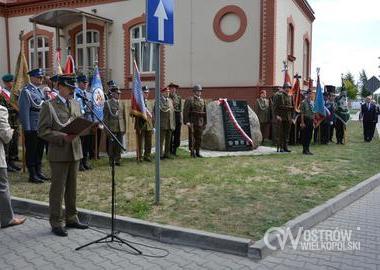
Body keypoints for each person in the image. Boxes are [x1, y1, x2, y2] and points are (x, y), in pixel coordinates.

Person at [38, 75, 89, 237]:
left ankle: (72, 217)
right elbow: (43, 131)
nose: (72, 90)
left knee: (72, 188)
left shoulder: (75, 103)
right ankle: (56, 221)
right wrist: (62, 137)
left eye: (73, 88)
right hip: (59, 152)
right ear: (59, 86)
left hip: (75, 151)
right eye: (69, 87)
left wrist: (88, 129)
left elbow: (77, 124)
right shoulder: (49, 105)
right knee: (58, 189)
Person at [18, 68, 49, 183]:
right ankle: (32, 174)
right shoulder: (26, 91)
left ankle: (38, 171)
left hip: (40, 126)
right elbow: (24, 110)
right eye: (38, 77)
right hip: (32, 126)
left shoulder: (40, 91)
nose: (41, 79)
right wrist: (27, 128)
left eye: (41, 77)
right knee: (31, 150)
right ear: (31, 78)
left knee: (39, 150)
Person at [0, 105, 26, 229]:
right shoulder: (1, 109)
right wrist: (11, 131)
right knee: (2, 187)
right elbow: (6, 136)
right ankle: (7, 219)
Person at [103, 83, 127, 166]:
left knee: (119, 144)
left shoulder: (122, 103)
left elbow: (124, 117)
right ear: (113, 94)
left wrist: (125, 128)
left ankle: (118, 159)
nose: (119, 95)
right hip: (112, 127)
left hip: (120, 127)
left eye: (119, 93)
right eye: (117, 93)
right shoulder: (107, 103)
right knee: (112, 145)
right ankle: (111, 160)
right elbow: (105, 118)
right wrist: (106, 129)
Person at [1, 74, 21, 172]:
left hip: (15, 121)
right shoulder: (2, 94)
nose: (13, 83)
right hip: (8, 121)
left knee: (14, 142)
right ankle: (7, 162)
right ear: (6, 82)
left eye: (13, 81)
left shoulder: (14, 93)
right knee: (8, 143)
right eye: (11, 82)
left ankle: (12, 161)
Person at [75, 74, 93, 171]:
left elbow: (92, 107)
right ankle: (80, 163)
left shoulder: (89, 94)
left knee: (87, 143)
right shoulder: (75, 93)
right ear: (78, 83)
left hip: (88, 120)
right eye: (83, 82)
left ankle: (85, 161)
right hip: (81, 120)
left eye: (86, 83)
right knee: (80, 143)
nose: (85, 84)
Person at [183, 84, 207, 158]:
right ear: (194, 92)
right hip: (192, 121)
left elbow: (205, 112)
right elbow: (186, 111)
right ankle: (192, 152)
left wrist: (205, 122)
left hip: (200, 122)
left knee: (199, 138)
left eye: (200, 91)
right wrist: (187, 121)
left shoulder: (203, 101)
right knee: (192, 138)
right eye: (197, 91)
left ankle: (198, 152)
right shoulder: (189, 100)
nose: (199, 92)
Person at [272, 77, 293, 152]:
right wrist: (276, 115)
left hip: (288, 117)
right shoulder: (279, 95)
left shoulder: (290, 96)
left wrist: (292, 117)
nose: (288, 89)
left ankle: (285, 147)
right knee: (280, 133)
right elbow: (274, 106)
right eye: (286, 87)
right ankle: (280, 147)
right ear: (284, 88)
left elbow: (292, 108)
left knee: (287, 133)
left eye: (289, 88)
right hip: (281, 116)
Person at [134, 86, 153, 162]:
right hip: (140, 124)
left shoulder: (149, 102)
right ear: (141, 93)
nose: (146, 94)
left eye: (147, 93)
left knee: (149, 142)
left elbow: (152, 115)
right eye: (145, 92)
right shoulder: (138, 103)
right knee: (140, 142)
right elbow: (135, 114)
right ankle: (140, 156)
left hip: (149, 125)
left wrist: (153, 126)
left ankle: (147, 155)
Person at [155, 87, 175, 159]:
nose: (168, 93)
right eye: (166, 92)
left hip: (170, 123)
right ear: (162, 93)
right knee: (160, 141)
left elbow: (172, 113)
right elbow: (155, 113)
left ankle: (167, 153)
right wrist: (156, 124)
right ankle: (160, 155)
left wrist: (173, 123)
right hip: (162, 124)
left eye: (168, 92)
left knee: (168, 140)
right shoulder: (158, 101)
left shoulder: (170, 100)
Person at [168, 82, 182, 155]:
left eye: (174, 88)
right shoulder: (167, 97)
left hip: (177, 116)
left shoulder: (179, 98)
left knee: (177, 134)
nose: (173, 90)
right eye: (171, 88)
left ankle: (175, 150)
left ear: (176, 89)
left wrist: (180, 119)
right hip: (170, 117)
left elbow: (180, 109)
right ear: (169, 89)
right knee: (170, 134)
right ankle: (169, 150)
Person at [300, 89, 314, 155]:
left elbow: (313, 112)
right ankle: (304, 149)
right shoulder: (303, 102)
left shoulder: (312, 102)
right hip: (306, 119)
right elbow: (302, 113)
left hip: (311, 120)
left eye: (311, 94)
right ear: (306, 94)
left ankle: (308, 149)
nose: (310, 95)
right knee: (305, 135)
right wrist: (302, 122)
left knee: (310, 135)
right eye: (309, 94)